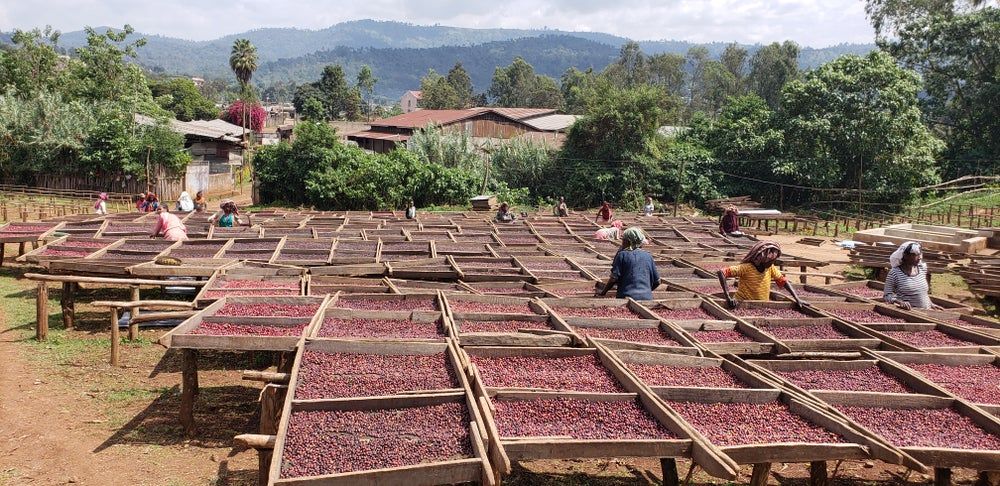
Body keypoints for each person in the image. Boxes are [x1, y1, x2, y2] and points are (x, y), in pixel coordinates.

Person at [717, 241, 804, 308]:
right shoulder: (746, 268)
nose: (772, 263)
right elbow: (722, 272)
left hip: (762, 306)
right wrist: (728, 297)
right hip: (742, 304)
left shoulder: (770, 268)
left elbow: (783, 281)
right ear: (761, 259)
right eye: (770, 261)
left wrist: (797, 299)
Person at [598, 227, 660, 300]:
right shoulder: (648, 256)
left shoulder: (622, 255)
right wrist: (646, 292)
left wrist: (603, 292)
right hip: (647, 298)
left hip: (626, 296)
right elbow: (657, 282)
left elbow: (613, 278)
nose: (622, 242)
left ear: (629, 241)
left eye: (624, 240)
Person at [884, 242, 941, 310]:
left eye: (920, 254)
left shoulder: (922, 269)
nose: (920, 257)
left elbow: (922, 293)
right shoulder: (894, 273)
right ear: (905, 256)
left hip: (927, 312)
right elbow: (887, 295)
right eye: (916, 255)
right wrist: (900, 302)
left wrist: (931, 304)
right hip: (910, 313)